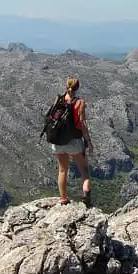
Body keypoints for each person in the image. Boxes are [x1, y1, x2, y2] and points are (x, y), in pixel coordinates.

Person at [52, 77, 93, 207]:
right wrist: (89, 142)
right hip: (74, 142)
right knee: (84, 171)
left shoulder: (59, 99)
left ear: (66, 86)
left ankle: (63, 199)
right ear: (78, 88)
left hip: (58, 141)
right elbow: (82, 123)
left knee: (63, 170)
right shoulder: (79, 102)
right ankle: (86, 194)